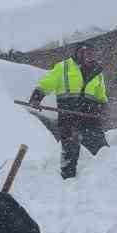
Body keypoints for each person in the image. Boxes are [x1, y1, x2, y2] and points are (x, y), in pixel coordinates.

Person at [28, 41, 108, 178]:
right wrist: (37, 97)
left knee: (102, 151)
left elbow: (101, 95)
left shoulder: (97, 72)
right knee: (70, 150)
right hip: (68, 115)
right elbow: (48, 83)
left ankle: (107, 177)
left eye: (90, 53)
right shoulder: (63, 67)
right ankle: (67, 180)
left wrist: (102, 109)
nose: (87, 56)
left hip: (90, 117)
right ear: (77, 53)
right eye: (84, 52)